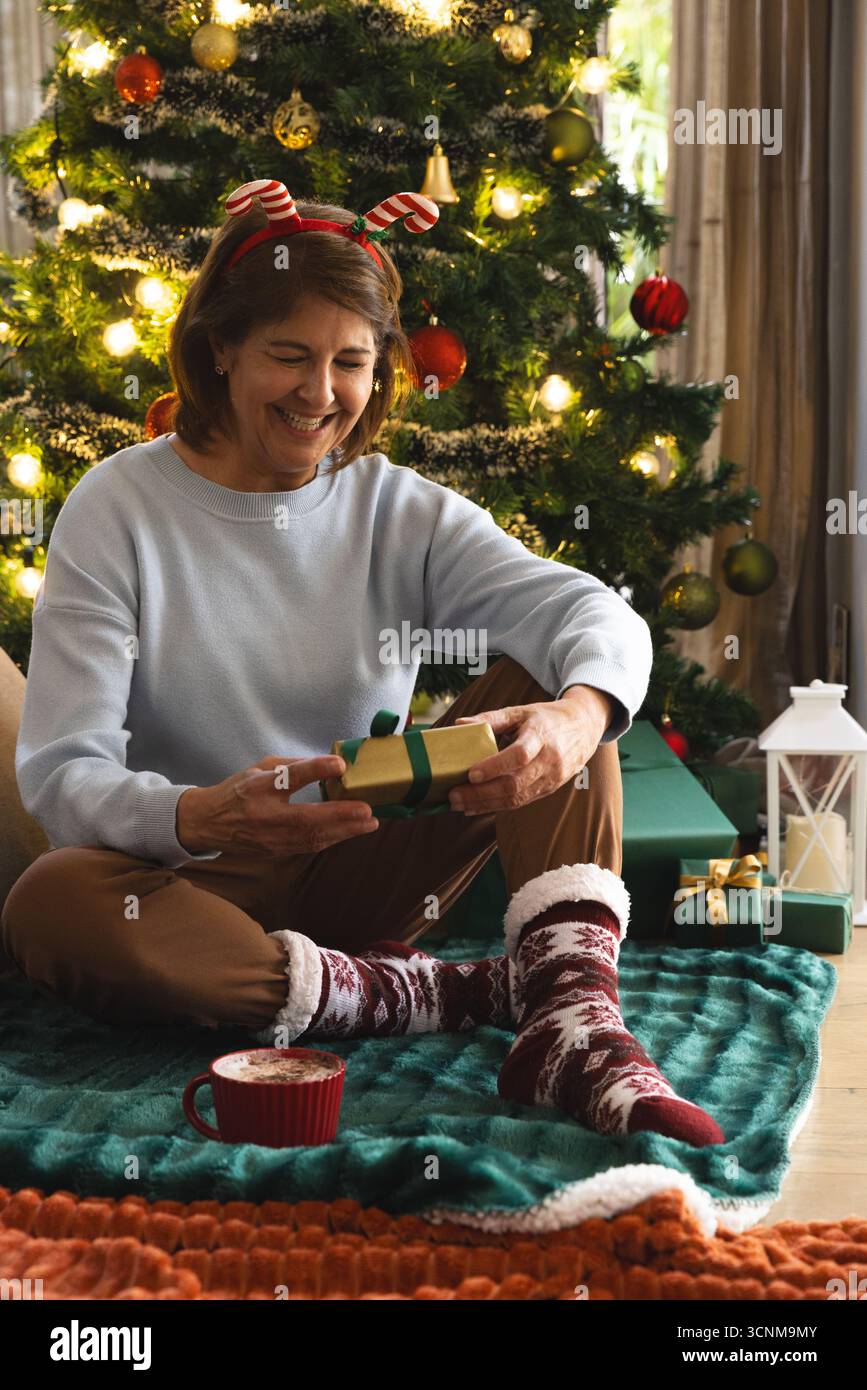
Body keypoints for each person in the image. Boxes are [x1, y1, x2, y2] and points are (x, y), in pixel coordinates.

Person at [0, 181, 724, 1147]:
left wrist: (578, 715)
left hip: (369, 868)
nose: (319, 394)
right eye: (289, 356)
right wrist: (202, 813)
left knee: (562, 685)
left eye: (349, 362)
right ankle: (443, 993)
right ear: (221, 350)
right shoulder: (118, 507)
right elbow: (62, 774)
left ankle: (572, 1023)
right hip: (191, 886)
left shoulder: (394, 507)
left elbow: (591, 610)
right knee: (53, 905)